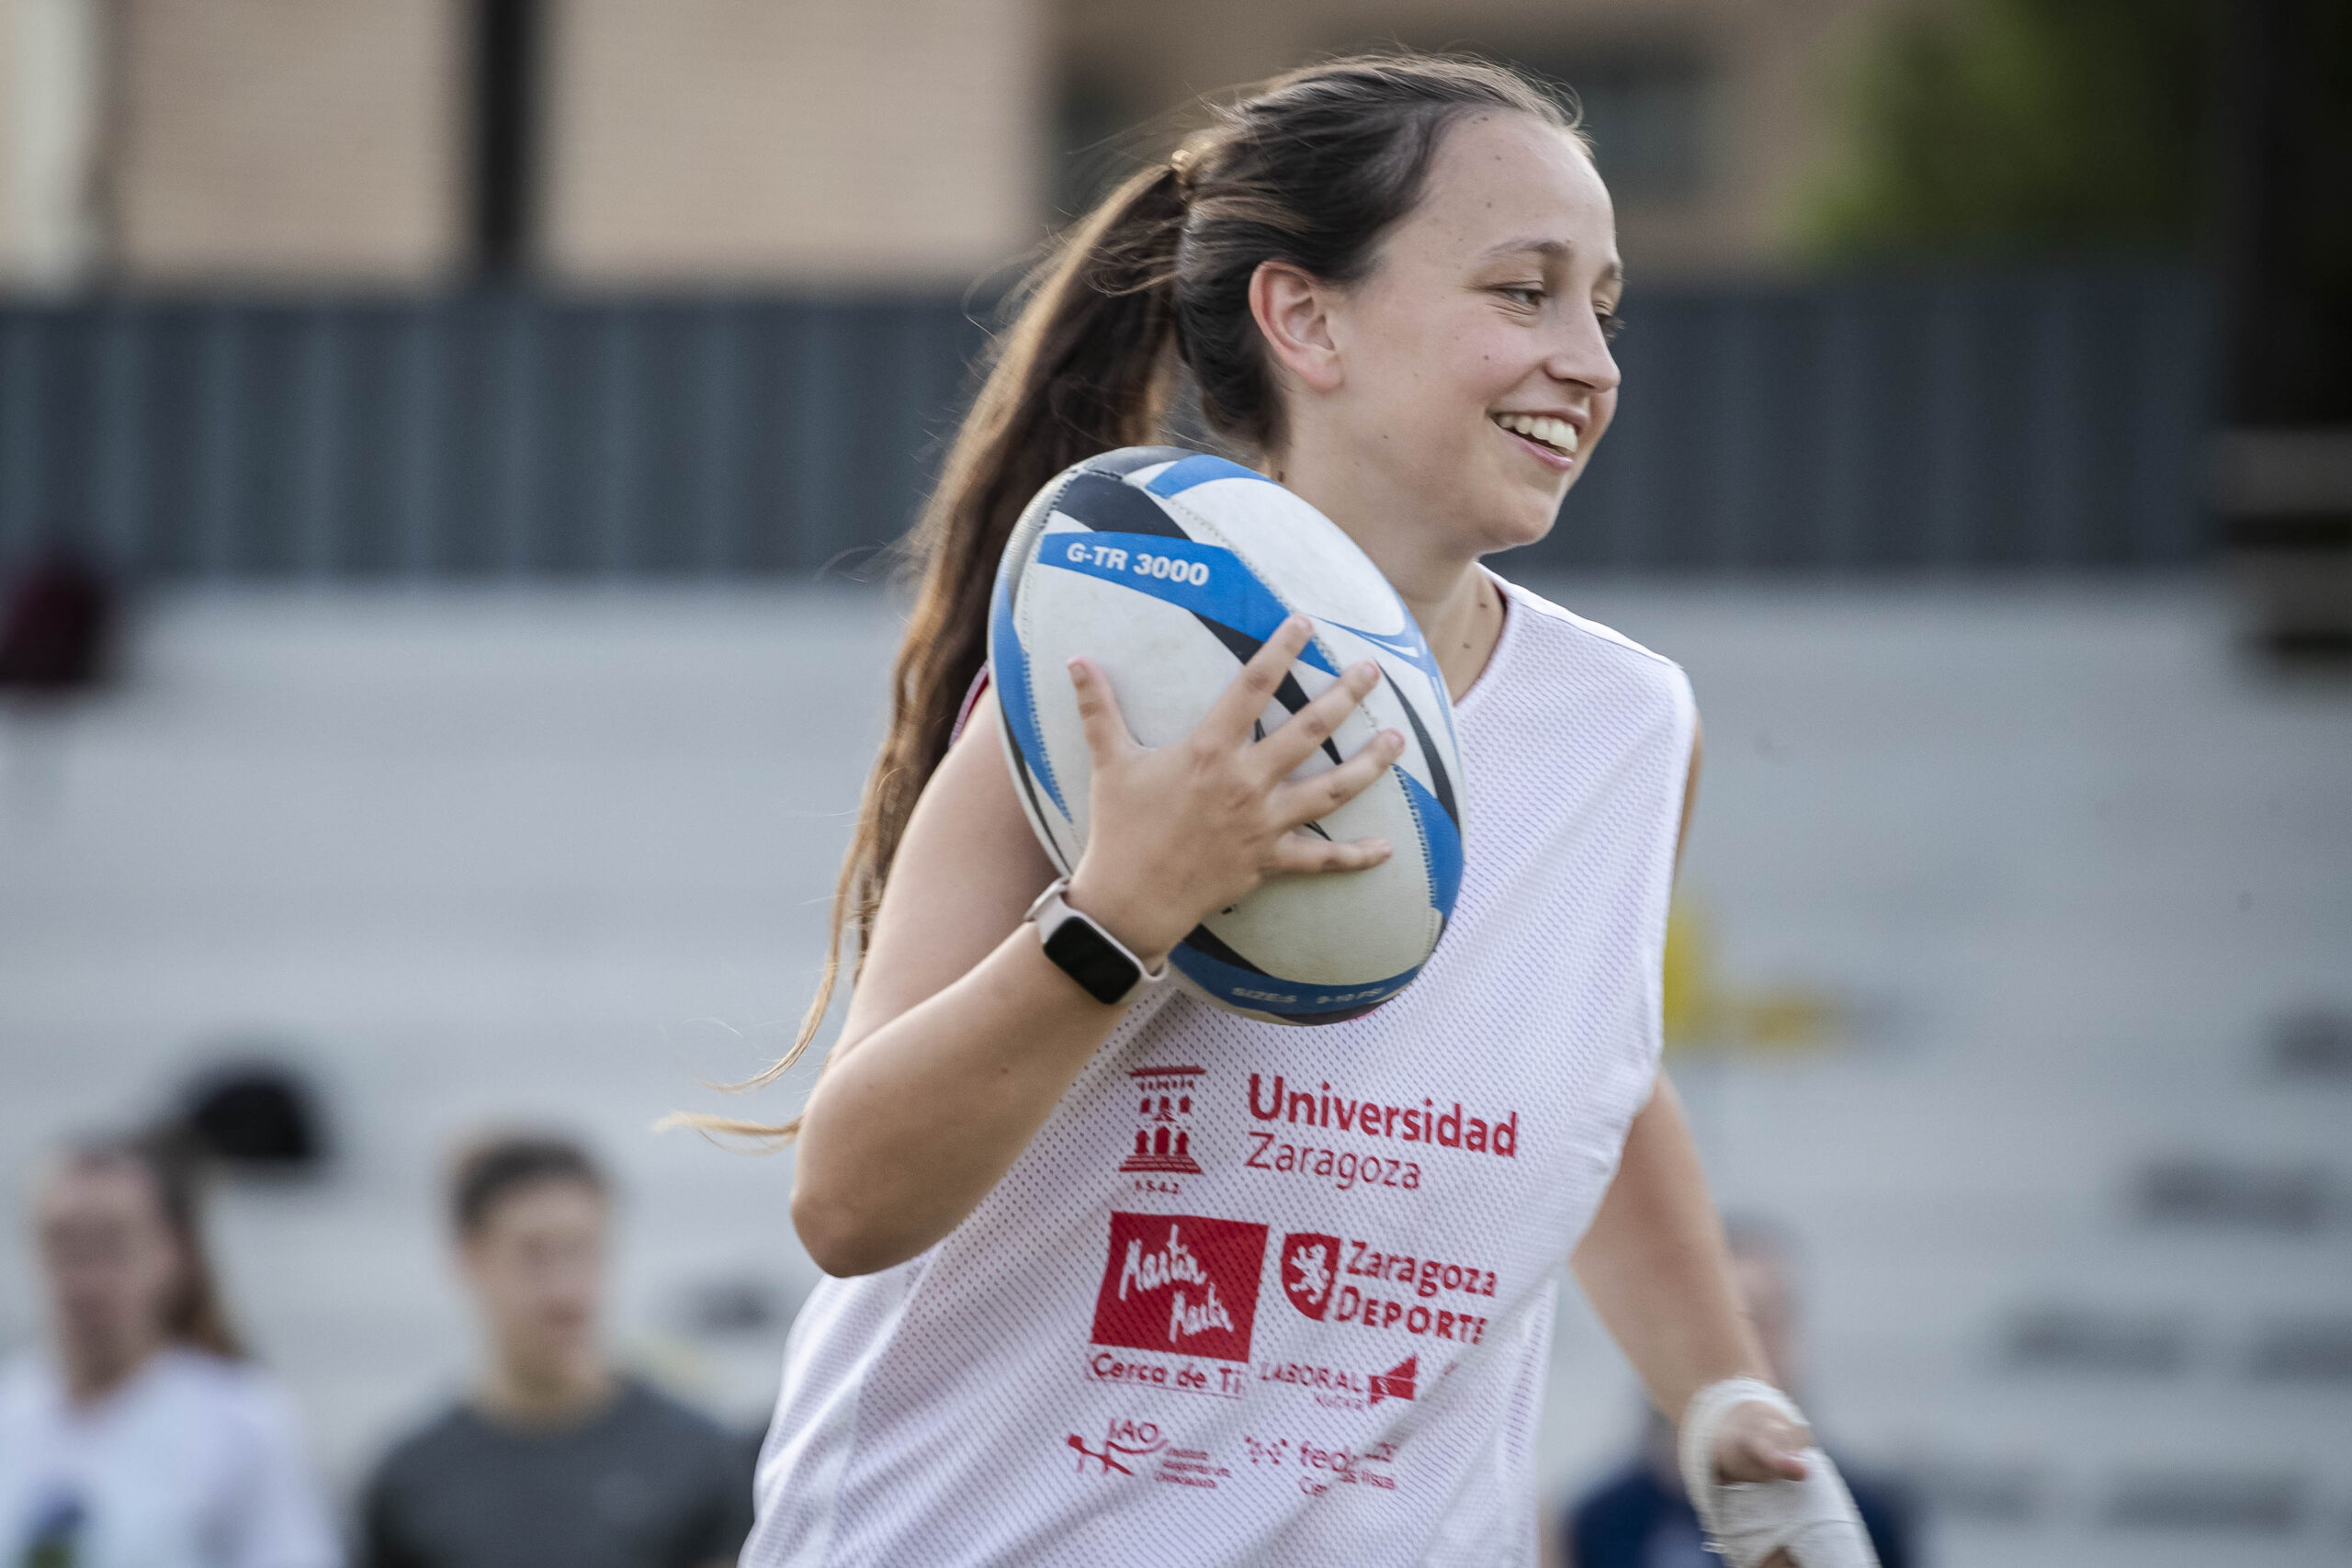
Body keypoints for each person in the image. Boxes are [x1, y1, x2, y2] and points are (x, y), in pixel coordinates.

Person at [720, 54, 1883, 1567]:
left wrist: (1720, 1387)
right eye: (1524, 291)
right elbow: (850, 1199)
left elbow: (1602, 1071)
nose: (1589, 361)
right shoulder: (1104, 663)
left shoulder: (1629, 726)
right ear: (1304, 317)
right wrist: (1124, 914)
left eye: (1604, 305)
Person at [360, 1135, 751, 1568]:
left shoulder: (700, 1457)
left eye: (582, 1250)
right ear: (468, 1257)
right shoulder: (411, 1478)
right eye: (534, 1254)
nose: (566, 1291)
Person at [0, 1134, 340, 1568]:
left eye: (112, 1243)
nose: (85, 1277)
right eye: (63, 1242)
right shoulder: (10, 1410)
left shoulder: (242, 1425)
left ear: (170, 1255)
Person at [1564, 1222, 1922, 1567]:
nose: (1747, 1351)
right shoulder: (1598, 1520)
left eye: (1765, 1319)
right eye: (1726, 1330)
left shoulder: (1868, 1513)